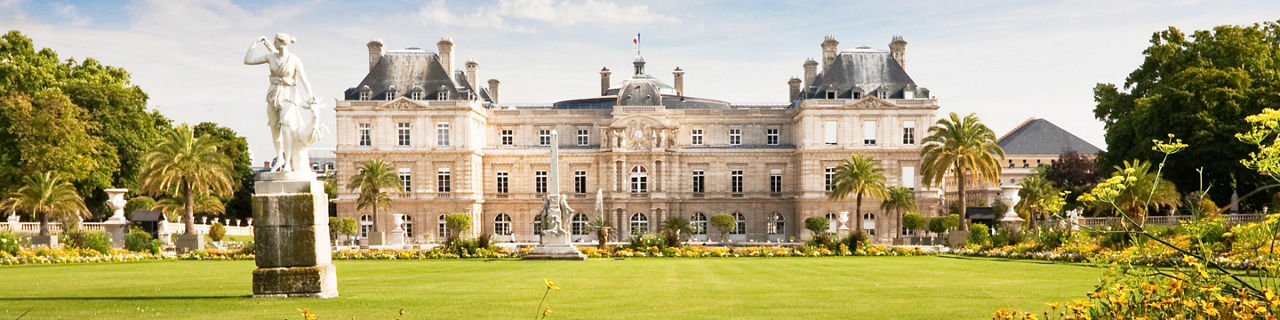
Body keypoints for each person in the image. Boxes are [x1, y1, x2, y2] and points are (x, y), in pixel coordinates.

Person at [244, 33, 319, 173]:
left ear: (281, 43)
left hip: (289, 94)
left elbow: (304, 79)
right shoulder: (271, 57)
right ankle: (280, 157)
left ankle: (288, 162)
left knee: (286, 126)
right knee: (274, 128)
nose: (273, 43)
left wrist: (310, 95)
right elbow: (248, 60)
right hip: (273, 94)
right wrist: (255, 43)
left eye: (275, 41)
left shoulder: (294, 60)